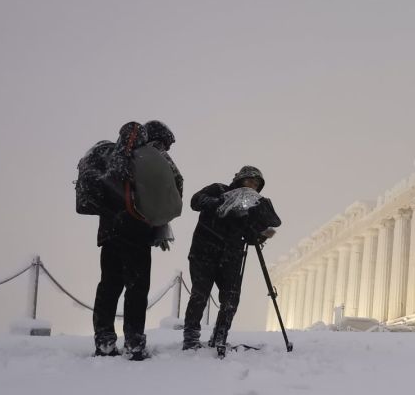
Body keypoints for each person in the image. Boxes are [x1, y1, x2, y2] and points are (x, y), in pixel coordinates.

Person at [91, 120, 182, 360]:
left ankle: (104, 341)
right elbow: (175, 189)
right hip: (137, 233)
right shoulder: (153, 158)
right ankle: (134, 343)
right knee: (137, 289)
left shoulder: (113, 156)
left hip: (110, 231)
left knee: (109, 286)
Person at [183, 165, 281, 357]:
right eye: (250, 180)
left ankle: (220, 336)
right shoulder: (219, 189)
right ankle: (191, 338)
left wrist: (261, 234)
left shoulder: (252, 205)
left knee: (231, 299)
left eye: (256, 183)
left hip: (231, 256)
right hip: (204, 252)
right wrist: (222, 202)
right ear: (240, 179)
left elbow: (250, 236)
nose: (253, 185)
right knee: (199, 295)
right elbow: (195, 201)